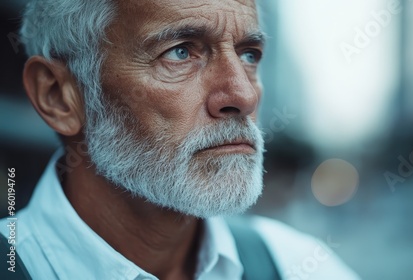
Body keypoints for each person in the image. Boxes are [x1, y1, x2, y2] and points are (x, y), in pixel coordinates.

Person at [0, 0, 360, 279]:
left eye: (249, 55)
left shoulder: (295, 264)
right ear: (58, 96)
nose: (243, 95)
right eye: (181, 51)